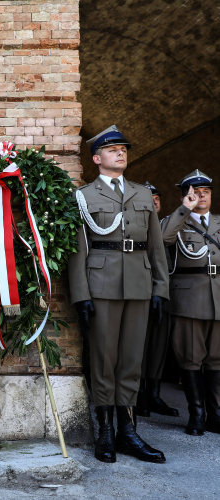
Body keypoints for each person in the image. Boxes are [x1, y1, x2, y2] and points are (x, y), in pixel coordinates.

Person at [69, 125, 169, 464]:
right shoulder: (84, 196)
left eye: (123, 148)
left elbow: (156, 247)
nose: (120, 152)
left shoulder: (142, 194)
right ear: (97, 159)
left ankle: (129, 432)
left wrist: (161, 289)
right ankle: (106, 432)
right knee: (103, 361)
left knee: (131, 360)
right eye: (113, 150)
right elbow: (78, 250)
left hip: (139, 286)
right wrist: (81, 294)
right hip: (102, 287)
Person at [161, 170, 220, 436]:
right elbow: (163, 239)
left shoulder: (219, 223)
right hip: (189, 297)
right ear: (187, 195)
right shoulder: (176, 222)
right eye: (195, 192)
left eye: (205, 191)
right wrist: (185, 209)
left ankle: (215, 415)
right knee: (191, 357)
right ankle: (196, 415)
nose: (201, 196)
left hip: (218, 297)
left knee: (216, 359)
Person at [135, 182, 179, 418]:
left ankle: (154, 394)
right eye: (149, 199)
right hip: (140, 291)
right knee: (139, 347)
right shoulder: (139, 225)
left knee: (159, 347)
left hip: (163, 294)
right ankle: (140, 395)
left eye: (157, 199)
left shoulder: (167, 225)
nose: (154, 203)